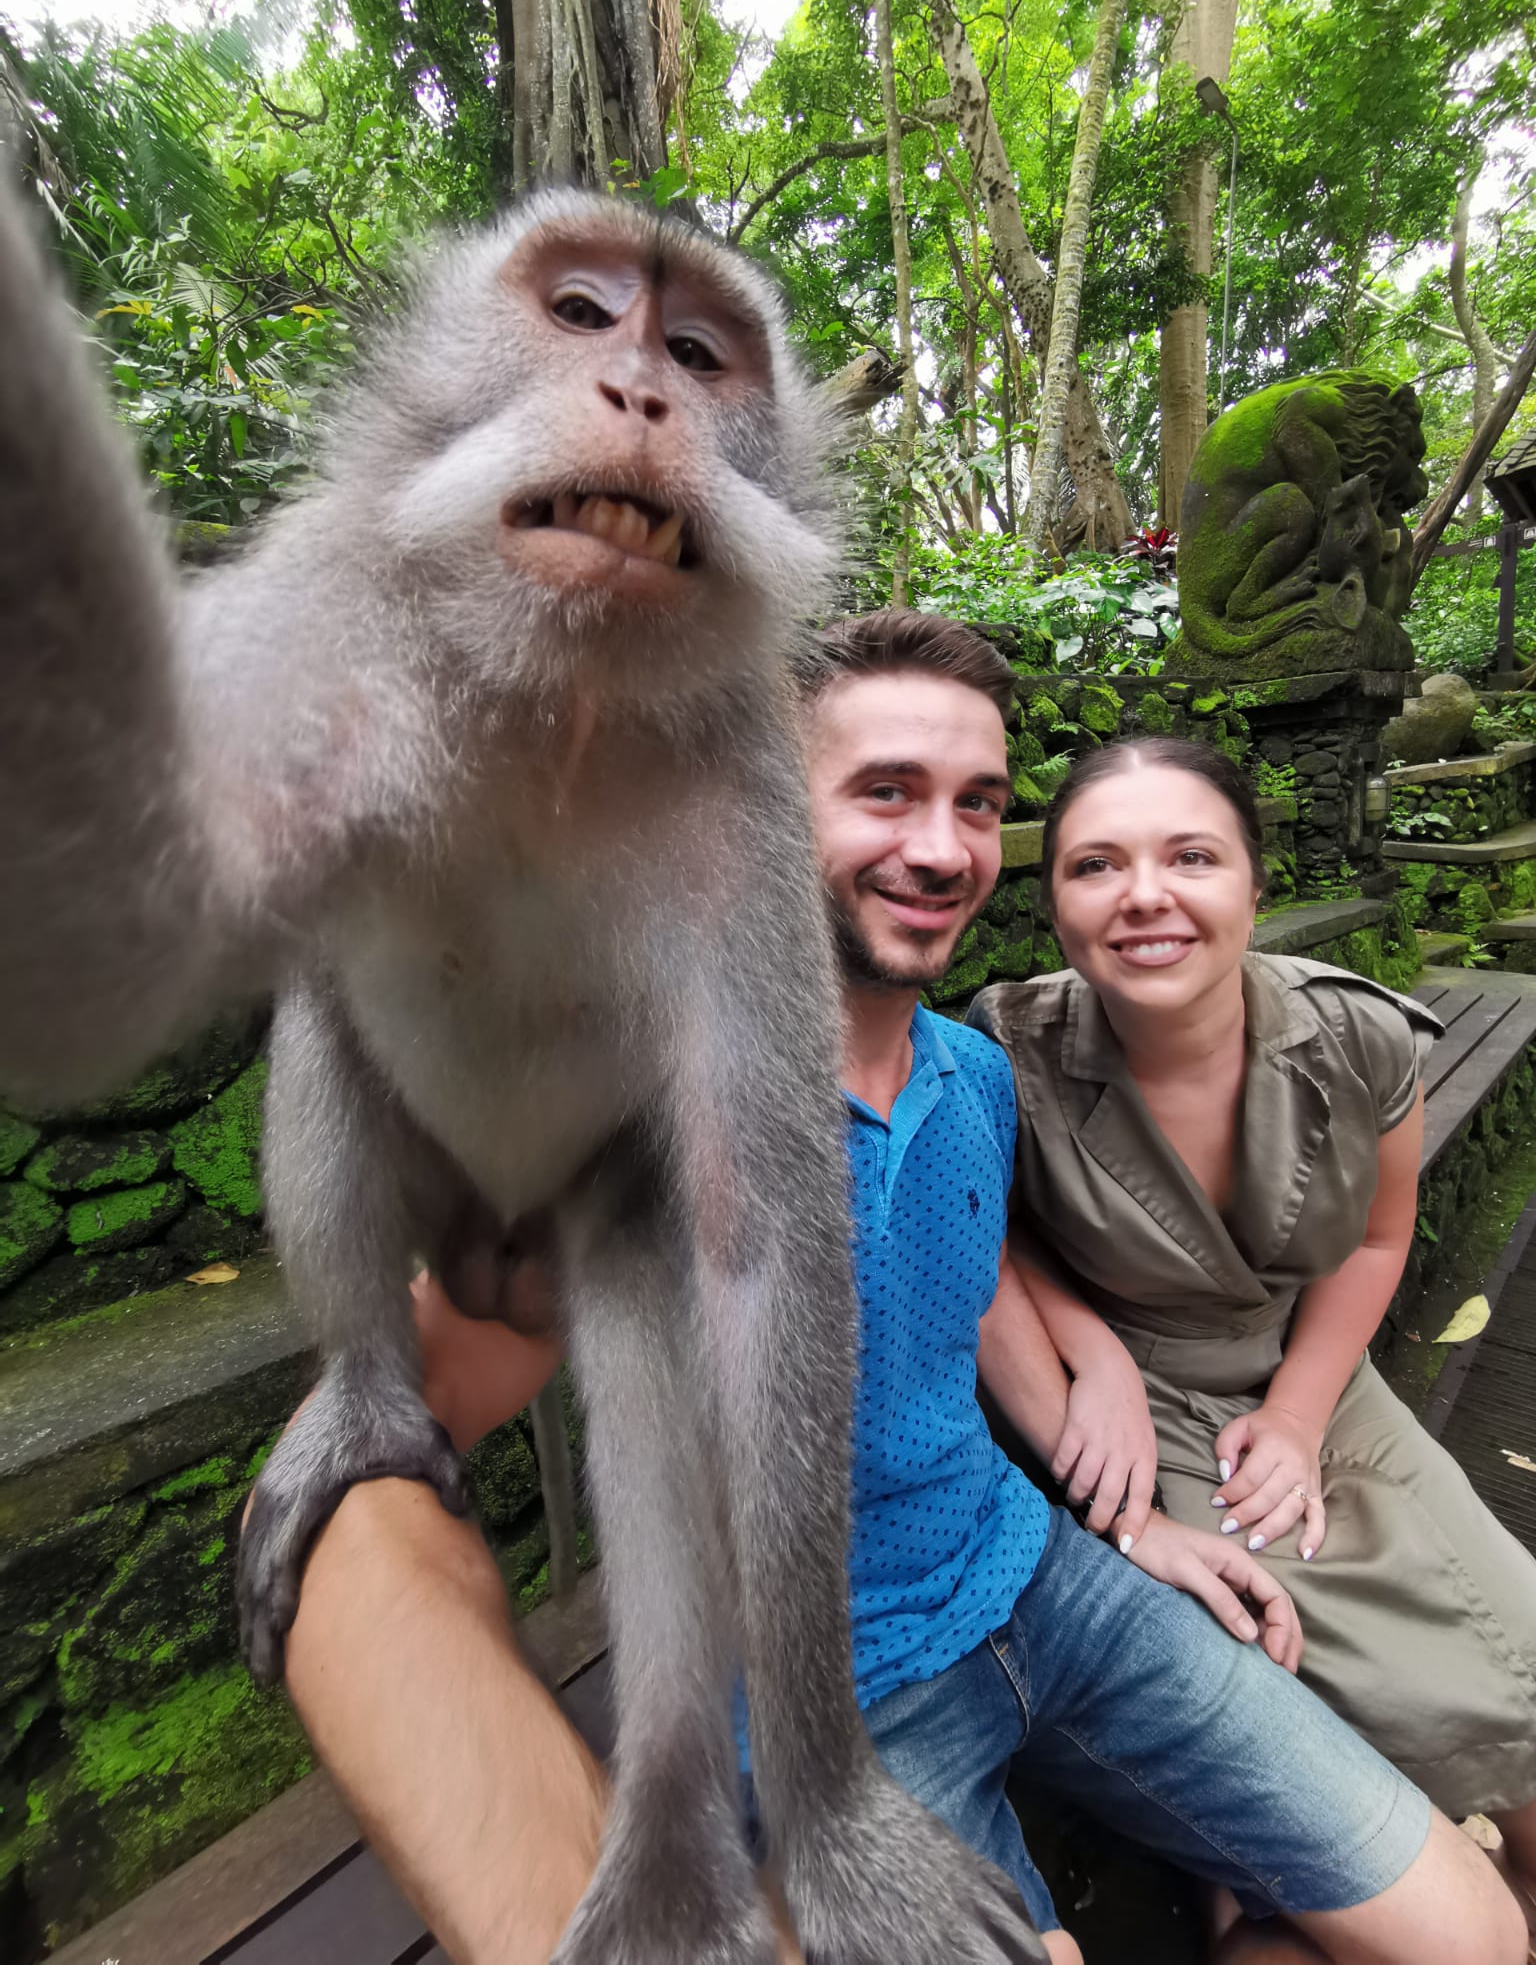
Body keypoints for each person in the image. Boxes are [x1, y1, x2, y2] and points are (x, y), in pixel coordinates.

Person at [261, 610, 1526, 1965]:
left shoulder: (974, 1078)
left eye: (977, 806)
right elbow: (375, 1465)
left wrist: (1122, 1493)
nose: (941, 850)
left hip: (1039, 1579)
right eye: (885, 794)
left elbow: (967, 1288)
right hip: (830, 1703)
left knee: (1473, 1938)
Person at [968, 733, 1536, 1937]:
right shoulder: (1009, 1048)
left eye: (1191, 854)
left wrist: (1297, 1410)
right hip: (1148, 1407)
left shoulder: (1357, 1037)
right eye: (1096, 865)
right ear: (1057, 901)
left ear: (1253, 882)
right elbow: (990, 1239)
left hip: (1313, 1373)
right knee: (1291, 1630)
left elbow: (1378, 1242)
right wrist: (1096, 1351)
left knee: (1511, 1638)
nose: (1145, 895)